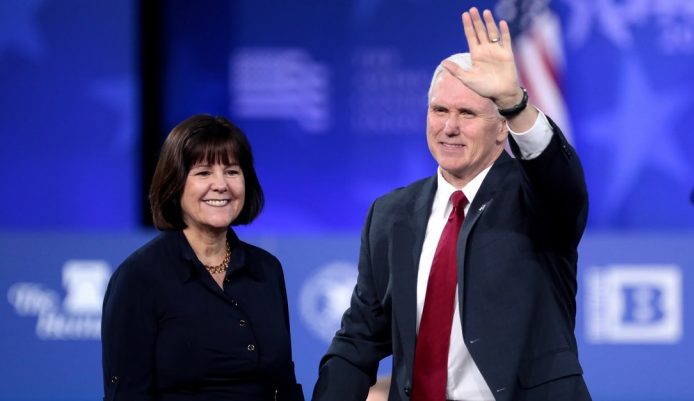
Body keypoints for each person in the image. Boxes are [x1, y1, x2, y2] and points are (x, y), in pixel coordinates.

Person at [312, 7, 590, 401]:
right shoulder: (390, 214)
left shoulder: (536, 198)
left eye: (467, 113)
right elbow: (357, 341)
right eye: (439, 110)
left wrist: (515, 103)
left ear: (501, 128)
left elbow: (559, 180)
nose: (449, 127)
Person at [101, 114, 304, 401]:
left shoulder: (267, 269)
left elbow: (284, 385)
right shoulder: (139, 278)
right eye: (204, 172)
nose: (221, 184)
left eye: (232, 171)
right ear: (175, 183)